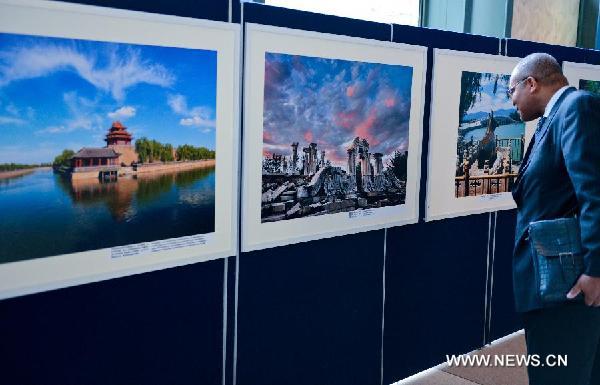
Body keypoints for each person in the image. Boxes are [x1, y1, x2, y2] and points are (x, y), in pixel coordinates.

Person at [509, 52, 600, 385]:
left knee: (560, 373)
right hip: (552, 280)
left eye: (511, 91)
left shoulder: (576, 108)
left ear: (531, 83)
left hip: (570, 284)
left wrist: (595, 270)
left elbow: (594, 192)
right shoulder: (554, 117)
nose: (512, 102)